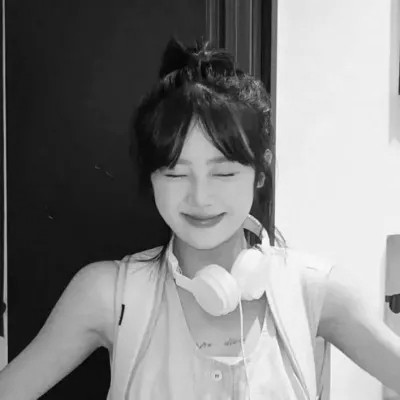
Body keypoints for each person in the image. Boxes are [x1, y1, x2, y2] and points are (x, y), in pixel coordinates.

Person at [0, 37, 399, 400]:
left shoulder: (315, 290)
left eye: (223, 173)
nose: (200, 198)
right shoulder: (108, 295)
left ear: (260, 172)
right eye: (175, 174)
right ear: (151, 176)